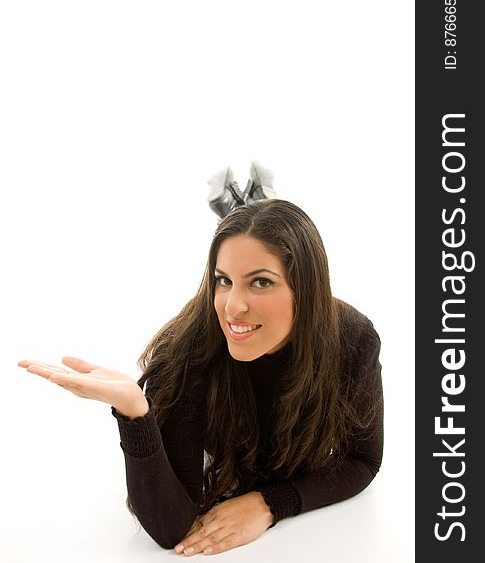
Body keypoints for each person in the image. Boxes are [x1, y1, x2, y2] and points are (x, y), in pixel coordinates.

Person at [18, 164, 383, 557]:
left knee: (257, 233)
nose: (232, 306)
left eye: (261, 281)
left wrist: (270, 503)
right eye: (223, 280)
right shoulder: (187, 354)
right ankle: (248, 212)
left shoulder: (353, 337)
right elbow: (172, 528)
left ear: (307, 288)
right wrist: (135, 413)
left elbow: (362, 461)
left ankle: (252, 205)